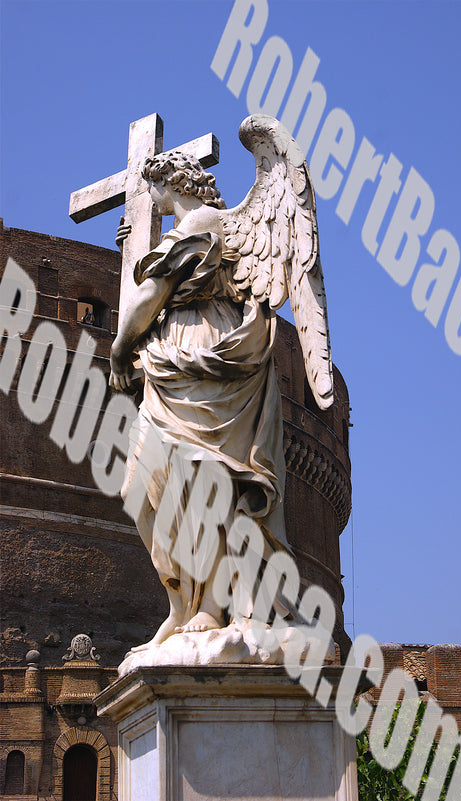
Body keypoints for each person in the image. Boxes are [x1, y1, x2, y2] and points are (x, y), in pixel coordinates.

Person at [110, 150, 289, 648]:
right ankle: (180, 603)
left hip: (204, 347)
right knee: (142, 488)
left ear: (172, 181)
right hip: (174, 356)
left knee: (206, 481)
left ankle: (211, 606)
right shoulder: (185, 231)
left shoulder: (205, 220)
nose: (152, 199)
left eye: (155, 189)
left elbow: (153, 295)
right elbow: (153, 287)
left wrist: (120, 351)